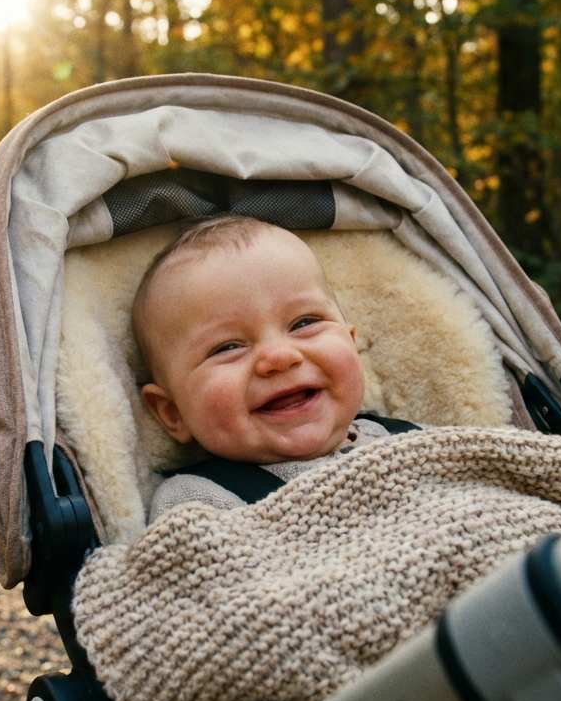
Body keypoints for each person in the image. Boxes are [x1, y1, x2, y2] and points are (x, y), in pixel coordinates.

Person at [131, 216, 417, 523]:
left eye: (304, 323)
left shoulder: (419, 442)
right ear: (172, 411)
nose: (280, 356)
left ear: (350, 343)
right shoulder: (196, 503)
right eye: (228, 347)